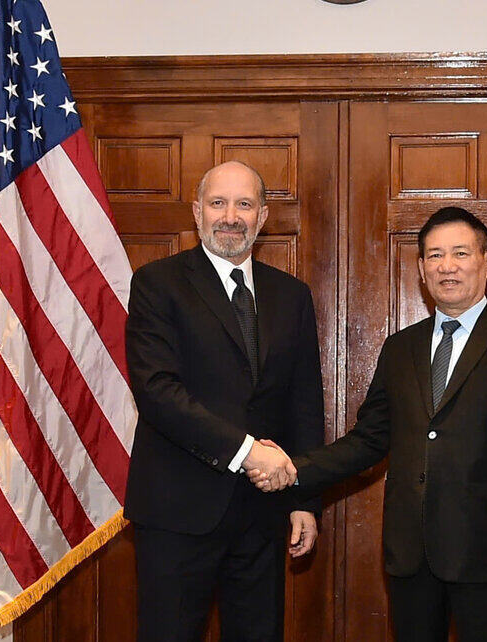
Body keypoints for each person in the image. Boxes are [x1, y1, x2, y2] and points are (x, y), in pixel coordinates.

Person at [251, 206, 487, 641]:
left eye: (459, 254)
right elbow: (369, 440)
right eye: (434, 256)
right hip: (410, 554)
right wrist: (296, 469)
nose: (446, 267)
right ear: (420, 268)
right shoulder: (401, 348)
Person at [124, 160, 324, 641]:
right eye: (218, 203)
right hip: (177, 513)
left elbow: (303, 404)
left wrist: (303, 500)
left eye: (244, 204)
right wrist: (247, 452)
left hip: (262, 514)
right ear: (197, 212)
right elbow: (158, 393)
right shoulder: (157, 284)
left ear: (263, 216)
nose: (230, 216)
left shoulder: (291, 296)